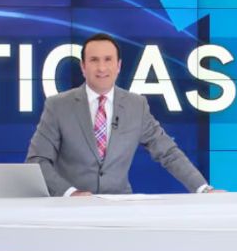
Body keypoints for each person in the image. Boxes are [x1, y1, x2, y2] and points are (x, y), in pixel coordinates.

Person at [26, 33, 215, 197]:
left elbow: (168, 153)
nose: (101, 68)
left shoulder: (137, 106)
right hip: (69, 208)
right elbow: (37, 160)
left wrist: (203, 188)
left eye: (108, 60)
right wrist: (70, 193)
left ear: (118, 66)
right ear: (83, 67)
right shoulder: (58, 106)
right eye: (94, 60)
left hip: (119, 208)